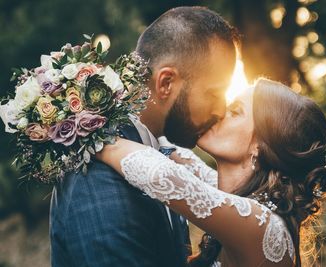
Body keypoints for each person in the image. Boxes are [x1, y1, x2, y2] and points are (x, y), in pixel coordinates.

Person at [50, 6, 238, 267]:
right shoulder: (98, 179)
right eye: (213, 93)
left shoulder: (158, 155)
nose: (220, 110)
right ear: (166, 83)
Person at [97, 78, 326, 267]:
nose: (220, 112)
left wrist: (92, 132)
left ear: (260, 146)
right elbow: (171, 153)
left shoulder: (266, 226)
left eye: (235, 112)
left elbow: (160, 174)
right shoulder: (235, 196)